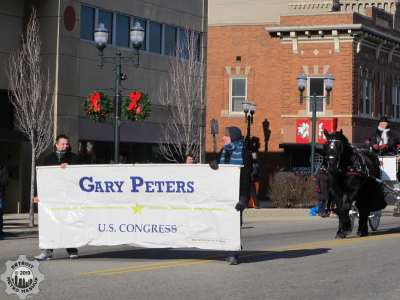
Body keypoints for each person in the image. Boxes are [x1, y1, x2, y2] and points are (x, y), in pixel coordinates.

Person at [210, 126, 252, 265]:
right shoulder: (223, 151)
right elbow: (215, 167)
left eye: (226, 136)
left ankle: (233, 253)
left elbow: (246, 178)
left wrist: (244, 198)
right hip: (223, 194)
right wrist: (213, 164)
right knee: (223, 223)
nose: (223, 138)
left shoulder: (245, 153)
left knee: (234, 224)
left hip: (238, 195)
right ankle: (231, 248)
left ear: (232, 138)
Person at [34, 134, 80, 260]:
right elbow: (42, 178)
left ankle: (72, 250)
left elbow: (80, 176)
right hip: (51, 198)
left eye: (67, 144)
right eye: (63, 144)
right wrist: (37, 195)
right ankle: (47, 251)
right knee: (49, 223)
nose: (65, 146)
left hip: (68, 198)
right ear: (56, 144)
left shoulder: (74, 158)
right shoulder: (48, 159)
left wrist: (70, 168)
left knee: (68, 223)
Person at [0, 163, 9, 240]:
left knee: (0, 213)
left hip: (0, 195)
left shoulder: (3, 168)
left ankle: (0, 231)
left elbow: (5, 182)